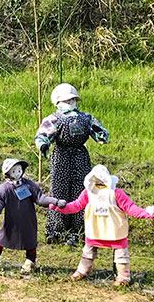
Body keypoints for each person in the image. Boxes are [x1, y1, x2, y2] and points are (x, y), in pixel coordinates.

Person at [52, 165, 153, 286]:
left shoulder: (116, 193)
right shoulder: (88, 193)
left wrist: (148, 213)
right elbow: (76, 205)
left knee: (121, 255)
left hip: (114, 230)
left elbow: (131, 208)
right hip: (95, 229)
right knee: (87, 252)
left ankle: (123, 276)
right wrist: (58, 206)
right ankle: (83, 270)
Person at [34, 83, 108, 246]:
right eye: (67, 100)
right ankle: (56, 230)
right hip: (60, 156)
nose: (70, 103)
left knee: (81, 192)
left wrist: (101, 135)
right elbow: (42, 135)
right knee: (59, 190)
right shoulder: (54, 118)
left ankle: (78, 230)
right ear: (58, 102)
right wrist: (44, 144)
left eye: (73, 100)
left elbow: (100, 132)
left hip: (80, 156)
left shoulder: (86, 118)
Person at [0, 158, 67, 274]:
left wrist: (55, 201)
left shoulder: (29, 185)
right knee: (0, 241)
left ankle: (29, 263)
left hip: (28, 221)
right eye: (14, 171)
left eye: (19, 170)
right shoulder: (2, 190)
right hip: (10, 223)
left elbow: (40, 198)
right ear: (7, 173)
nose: (17, 173)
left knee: (30, 243)